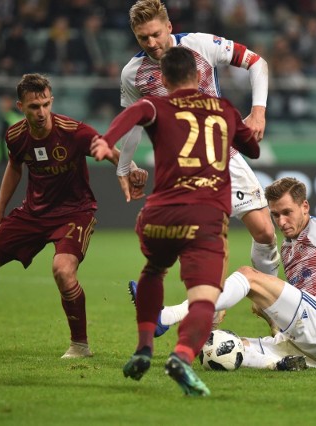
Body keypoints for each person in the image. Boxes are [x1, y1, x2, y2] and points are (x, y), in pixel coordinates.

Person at [0, 73, 147, 358]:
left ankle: (80, 345)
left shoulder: (73, 131)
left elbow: (108, 150)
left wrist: (130, 169)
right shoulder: (16, 135)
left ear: (51, 100)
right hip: (33, 213)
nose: (41, 112)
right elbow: (15, 167)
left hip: (74, 212)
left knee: (63, 271)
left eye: (45, 104)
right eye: (34, 106)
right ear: (21, 106)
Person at [90, 46, 260, 396]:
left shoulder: (157, 104)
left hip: (160, 214)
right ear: (199, 77)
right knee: (203, 297)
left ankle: (143, 349)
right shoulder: (224, 109)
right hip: (205, 216)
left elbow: (133, 114)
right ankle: (181, 356)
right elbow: (252, 148)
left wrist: (106, 142)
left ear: (164, 80)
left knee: (154, 270)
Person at [136, 177, 316, 369]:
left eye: (287, 213)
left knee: (248, 276)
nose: (282, 222)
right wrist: (265, 311)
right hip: (311, 346)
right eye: (275, 215)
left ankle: (166, 316)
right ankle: (279, 364)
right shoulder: (287, 247)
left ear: (304, 206)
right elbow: (281, 299)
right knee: (213, 345)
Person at [117, 0, 280, 278]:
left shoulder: (200, 45)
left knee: (265, 231)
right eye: (143, 37)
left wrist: (258, 112)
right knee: (209, 246)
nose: (152, 43)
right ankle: (208, 314)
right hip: (183, 171)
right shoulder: (133, 74)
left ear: (169, 26)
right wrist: (124, 167)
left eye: (156, 34)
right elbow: (134, 122)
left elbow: (256, 62)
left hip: (223, 156)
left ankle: (270, 302)